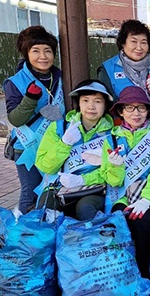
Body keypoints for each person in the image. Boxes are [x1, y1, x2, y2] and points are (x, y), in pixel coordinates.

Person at [101, 86, 150, 279]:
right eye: (130, 108)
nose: (136, 113)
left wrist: (146, 200)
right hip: (122, 196)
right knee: (116, 222)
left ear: (148, 111)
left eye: (141, 108)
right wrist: (115, 167)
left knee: (142, 221)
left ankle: (143, 274)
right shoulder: (112, 139)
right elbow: (112, 181)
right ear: (121, 111)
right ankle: (119, 273)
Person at [4, 25, 65, 213]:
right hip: (28, 145)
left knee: (55, 191)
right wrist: (30, 99)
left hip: (57, 144)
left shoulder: (63, 76)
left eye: (48, 51)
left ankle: (46, 234)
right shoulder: (15, 82)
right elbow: (15, 118)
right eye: (36, 51)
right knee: (30, 192)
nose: (43, 56)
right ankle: (22, 236)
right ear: (26, 53)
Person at [35, 79, 114, 220]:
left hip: (94, 188)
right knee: (43, 213)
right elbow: (45, 166)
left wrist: (82, 180)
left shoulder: (113, 134)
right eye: (85, 101)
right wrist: (65, 143)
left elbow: (114, 173)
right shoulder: (59, 127)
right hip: (59, 186)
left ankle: (90, 242)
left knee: (85, 209)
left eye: (97, 101)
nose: (91, 106)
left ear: (105, 105)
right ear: (78, 103)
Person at [98, 19, 150, 130]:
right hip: (122, 134)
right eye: (133, 41)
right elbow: (106, 103)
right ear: (123, 42)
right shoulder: (108, 69)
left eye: (143, 42)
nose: (139, 47)